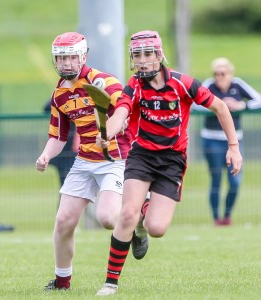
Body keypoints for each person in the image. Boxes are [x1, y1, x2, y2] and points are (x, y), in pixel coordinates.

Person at [95, 30, 243, 296]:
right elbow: (121, 112)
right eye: (137, 55)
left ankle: (143, 226)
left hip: (172, 160)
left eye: (147, 54)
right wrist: (109, 132)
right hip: (141, 156)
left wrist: (234, 147)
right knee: (127, 213)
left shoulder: (183, 83)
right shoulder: (135, 85)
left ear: (159, 55)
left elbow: (220, 107)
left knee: (157, 228)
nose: (141, 61)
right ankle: (110, 282)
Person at [35, 31, 131, 290]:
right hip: (85, 161)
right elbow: (58, 135)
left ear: (83, 57)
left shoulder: (102, 80)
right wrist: (45, 155)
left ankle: (139, 218)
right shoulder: (59, 95)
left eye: (71, 58)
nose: (65, 63)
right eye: (60, 58)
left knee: (108, 219)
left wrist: (107, 132)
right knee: (64, 221)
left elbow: (124, 107)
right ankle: (62, 282)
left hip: (114, 158)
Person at [192, 57, 261, 226]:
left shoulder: (238, 85)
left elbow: (258, 100)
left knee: (235, 181)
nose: (219, 77)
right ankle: (217, 219)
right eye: (216, 73)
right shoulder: (209, 85)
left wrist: (240, 105)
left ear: (230, 73)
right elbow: (194, 104)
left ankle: (228, 214)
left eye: (222, 73)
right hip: (211, 139)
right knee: (215, 179)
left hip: (234, 140)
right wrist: (218, 106)